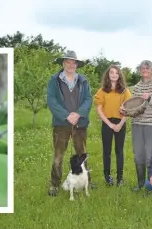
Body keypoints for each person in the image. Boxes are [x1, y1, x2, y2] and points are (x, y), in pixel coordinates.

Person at [46, 50, 93, 196]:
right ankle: (54, 184)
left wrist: (78, 114)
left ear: (77, 65)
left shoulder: (83, 81)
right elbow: (51, 101)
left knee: (82, 154)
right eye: (68, 62)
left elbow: (88, 100)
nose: (71, 65)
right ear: (63, 63)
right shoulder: (54, 80)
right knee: (58, 156)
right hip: (61, 124)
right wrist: (67, 116)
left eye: (74, 62)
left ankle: (86, 182)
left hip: (80, 124)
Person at [126, 60, 152, 192]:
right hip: (137, 124)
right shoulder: (136, 87)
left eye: (148, 69)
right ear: (140, 71)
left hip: (151, 125)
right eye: (143, 68)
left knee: (150, 156)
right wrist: (127, 110)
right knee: (138, 155)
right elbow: (133, 107)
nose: (145, 71)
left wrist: (150, 98)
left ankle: (151, 185)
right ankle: (140, 184)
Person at [94, 65, 131, 186]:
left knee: (119, 151)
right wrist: (109, 124)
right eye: (111, 73)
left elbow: (128, 109)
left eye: (116, 73)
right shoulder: (102, 91)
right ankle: (108, 177)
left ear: (119, 75)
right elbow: (99, 110)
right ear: (108, 75)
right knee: (107, 151)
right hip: (107, 123)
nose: (114, 75)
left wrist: (120, 124)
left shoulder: (125, 91)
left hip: (120, 123)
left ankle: (120, 178)